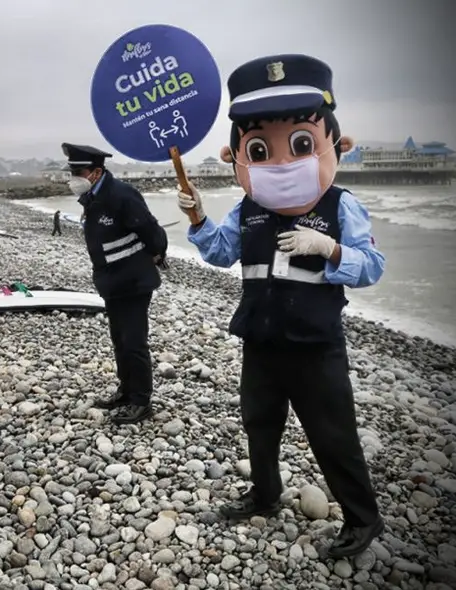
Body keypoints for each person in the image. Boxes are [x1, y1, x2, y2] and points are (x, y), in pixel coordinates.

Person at [178, 54, 384, 558]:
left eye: (300, 145)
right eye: (259, 149)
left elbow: (373, 265)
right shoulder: (247, 208)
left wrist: (331, 250)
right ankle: (265, 493)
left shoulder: (340, 205)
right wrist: (200, 217)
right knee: (260, 421)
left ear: (335, 143)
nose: (284, 162)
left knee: (333, 434)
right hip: (260, 338)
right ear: (237, 156)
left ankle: (363, 518)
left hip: (316, 346)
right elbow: (222, 253)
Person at [62, 142, 168, 424]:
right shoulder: (92, 196)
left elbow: (152, 230)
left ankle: (142, 401)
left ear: (96, 172)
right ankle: (126, 390)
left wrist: (158, 254)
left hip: (134, 281)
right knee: (119, 340)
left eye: (79, 172)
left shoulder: (121, 194)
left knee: (134, 342)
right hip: (111, 282)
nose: (74, 178)